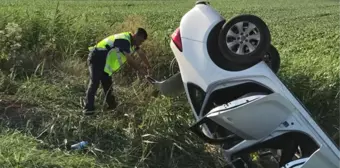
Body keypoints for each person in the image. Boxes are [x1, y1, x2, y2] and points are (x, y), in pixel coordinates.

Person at [83, 28, 151, 115]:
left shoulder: (132, 42)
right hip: (97, 57)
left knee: (108, 84)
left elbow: (141, 53)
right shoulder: (124, 40)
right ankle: (88, 110)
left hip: (105, 60)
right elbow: (129, 60)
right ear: (135, 36)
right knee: (95, 82)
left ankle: (112, 108)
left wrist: (149, 66)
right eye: (140, 40)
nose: (140, 43)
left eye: (142, 42)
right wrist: (140, 70)